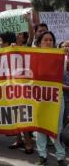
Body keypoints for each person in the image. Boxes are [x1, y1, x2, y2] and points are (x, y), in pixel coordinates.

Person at [35, 31, 66, 166]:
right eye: (45, 40)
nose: (48, 42)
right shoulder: (33, 57)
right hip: (39, 97)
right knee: (40, 127)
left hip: (56, 97)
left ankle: (60, 156)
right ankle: (42, 156)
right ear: (39, 43)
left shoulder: (60, 57)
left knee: (57, 127)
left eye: (51, 40)